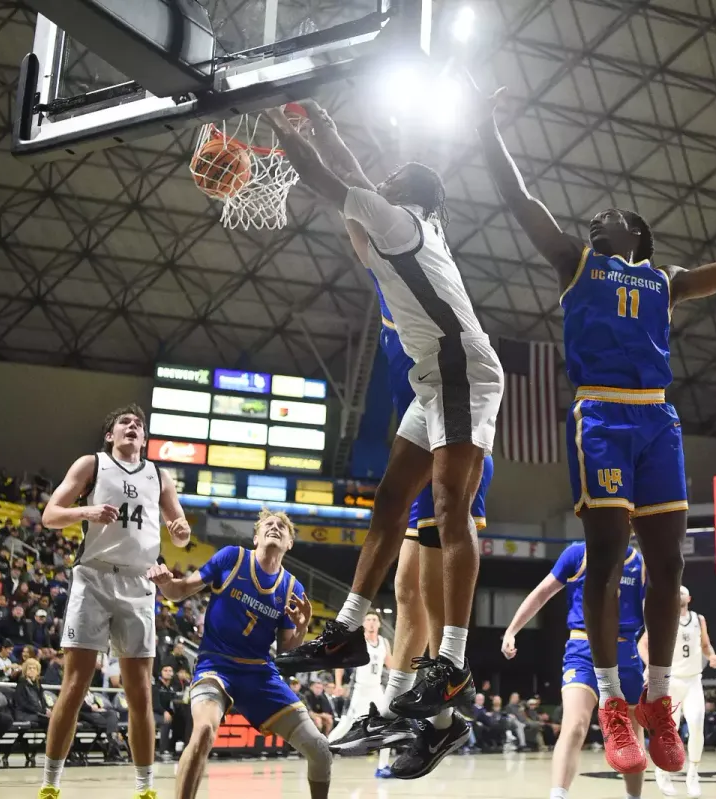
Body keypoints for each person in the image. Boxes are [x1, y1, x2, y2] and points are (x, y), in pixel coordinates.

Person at [470, 75, 716, 775]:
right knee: (605, 560)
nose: (593, 220)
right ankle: (614, 701)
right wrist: (489, 127)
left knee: (669, 567)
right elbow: (518, 198)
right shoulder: (574, 261)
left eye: (606, 215)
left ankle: (657, 700)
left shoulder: (664, 279)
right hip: (602, 414)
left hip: (656, 419)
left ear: (633, 234)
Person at [265, 105, 502, 772]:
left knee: (447, 520)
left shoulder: (403, 222)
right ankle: (346, 631)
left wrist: (292, 141)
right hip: (434, 381)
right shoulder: (399, 228)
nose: (384, 177)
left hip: (461, 374)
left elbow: (332, 181)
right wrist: (326, 131)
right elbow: (350, 175)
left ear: (412, 192)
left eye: (395, 174)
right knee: (389, 501)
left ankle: (448, 667)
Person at [38, 404, 190, 799]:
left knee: (140, 692)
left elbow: (181, 536)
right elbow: (50, 515)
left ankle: (145, 788)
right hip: (94, 577)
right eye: (125, 423)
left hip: (140, 582)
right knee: (75, 684)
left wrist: (180, 529)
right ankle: (50, 784)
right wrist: (85, 510)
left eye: (138, 425)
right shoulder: (92, 463)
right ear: (110, 435)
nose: (133, 427)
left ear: (144, 438)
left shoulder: (159, 475)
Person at [150, 510, 333, 799]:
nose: (275, 528)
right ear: (256, 536)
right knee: (203, 733)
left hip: (259, 674)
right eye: (268, 525)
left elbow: (287, 652)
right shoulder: (232, 558)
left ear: (289, 544)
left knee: (320, 750)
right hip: (215, 666)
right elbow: (180, 590)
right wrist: (164, 582)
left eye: (282, 527)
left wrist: (302, 627)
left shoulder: (292, 588)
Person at [502, 542, 647, 799]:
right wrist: (512, 630)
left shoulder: (641, 563)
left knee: (631, 732)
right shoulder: (577, 554)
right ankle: (558, 795)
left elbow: (655, 616)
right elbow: (541, 593)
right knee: (575, 724)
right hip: (583, 649)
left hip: (625, 652)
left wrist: (656, 666)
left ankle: (633, 796)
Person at [650, 586, 716, 797]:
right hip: (671, 682)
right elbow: (644, 644)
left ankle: (693, 774)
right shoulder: (663, 618)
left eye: (682, 592)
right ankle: (662, 772)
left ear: (689, 598)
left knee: (697, 724)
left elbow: (706, 645)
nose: (679, 595)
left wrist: (713, 656)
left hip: (693, 682)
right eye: (676, 592)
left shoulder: (699, 619)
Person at [328, 609, 395, 768]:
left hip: (376, 689)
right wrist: (338, 685)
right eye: (368, 619)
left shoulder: (384, 642)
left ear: (379, 623)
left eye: (374, 620)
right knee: (345, 724)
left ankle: (383, 767)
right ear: (363, 623)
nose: (371, 622)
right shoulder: (356, 642)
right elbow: (340, 664)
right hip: (358, 689)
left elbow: (390, 665)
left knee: (387, 724)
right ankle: (322, 752)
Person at [13, 658, 52, 725]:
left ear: (37, 672)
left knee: (55, 718)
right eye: (29, 668)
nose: (32, 670)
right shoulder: (21, 684)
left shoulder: (38, 684)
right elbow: (23, 704)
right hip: (24, 714)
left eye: (34, 668)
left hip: (36, 713)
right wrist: (41, 711)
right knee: (50, 720)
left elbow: (42, 700)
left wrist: (46, 710)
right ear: (25, 671)